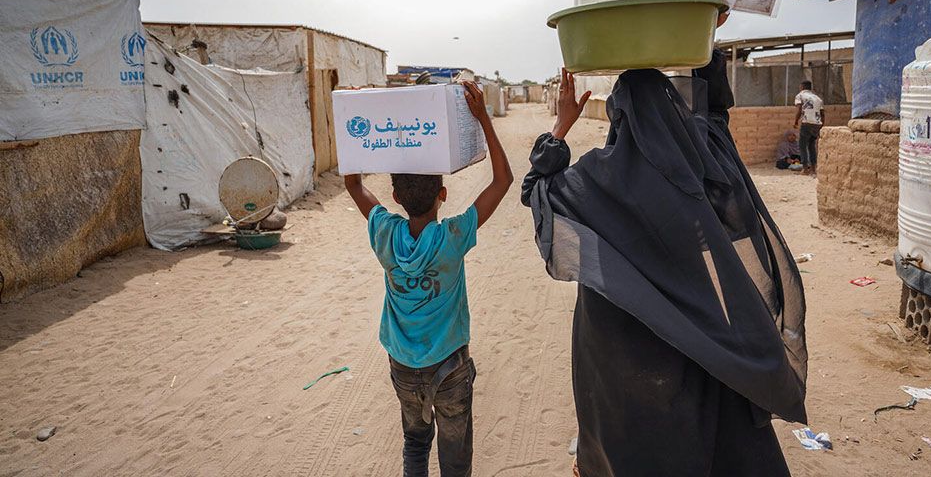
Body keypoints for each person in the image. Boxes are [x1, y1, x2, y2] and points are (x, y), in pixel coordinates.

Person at [522, 67, 807, 476]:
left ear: (618, 117)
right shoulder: (702, 172)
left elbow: (536, 191)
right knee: (697, 420)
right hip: (692, 326)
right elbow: (717, 119)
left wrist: (561, 126)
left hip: (614, 334)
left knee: (622, 430)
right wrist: (706, 45)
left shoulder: (595, 178)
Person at [344, 81, 513, 477]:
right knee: (455, 458)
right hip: (450, 367)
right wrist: (483, 118)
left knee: (415, 443)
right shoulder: (452, 237)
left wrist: (352, 116)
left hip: (402, 364)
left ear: (396, 198)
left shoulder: (384, 231)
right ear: (443, 193)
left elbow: (353, 184)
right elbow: (502, 181)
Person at [793, 80, 824, 175]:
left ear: (802, 87)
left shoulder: (800, 96)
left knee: (802, 145)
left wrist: (796, 122)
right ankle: (813, 169)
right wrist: (822, 125)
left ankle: (805, 168)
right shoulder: (818, 98)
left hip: (807, 122)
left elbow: (799, 109)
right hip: (817, 124)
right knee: (812, 146)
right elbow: (822, 114)